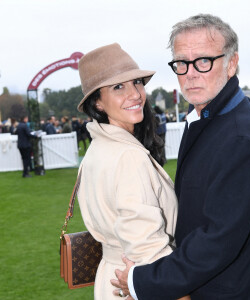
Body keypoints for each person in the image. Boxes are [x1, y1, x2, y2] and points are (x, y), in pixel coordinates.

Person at [111, 14, 250, 299]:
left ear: (231, 64)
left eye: (204, 61)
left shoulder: (239, 137)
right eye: (182, 63)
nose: (191, 73)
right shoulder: (214, 117)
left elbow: (217, 241)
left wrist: (142, 281)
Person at [76, 43, 190, 300]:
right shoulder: (128, 156)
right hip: (137, 284)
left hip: (113, 279)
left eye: (137, 82)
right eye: (118, 87)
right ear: (98, 102)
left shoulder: (97, 149)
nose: (136, 94)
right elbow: (146, 247)